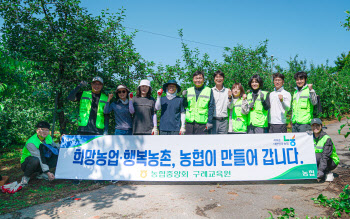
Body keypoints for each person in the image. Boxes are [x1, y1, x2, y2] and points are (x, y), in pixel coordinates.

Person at [21, 122, 61, 186]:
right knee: (35, 160)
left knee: (55, 154)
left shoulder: (48, 137)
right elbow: (39, 157)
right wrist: (48, 172)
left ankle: (40, 173)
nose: (44, 132)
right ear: (37, 130)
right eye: (42, 129)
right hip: (27, 163)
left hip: (40, 160)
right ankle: (26, 177)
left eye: (47, 130)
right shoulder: (31, 142)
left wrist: (60, 141)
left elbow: (55, 148)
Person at [183, 70, 215, 135]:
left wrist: (209, 121)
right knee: (188, 143)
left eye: (200, 78)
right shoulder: (189, 90)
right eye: (196, 78)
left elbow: (211, 107)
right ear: (193, 79)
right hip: (190, 123)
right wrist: (184, 97)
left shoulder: (208, 90)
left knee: (201, 144)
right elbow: (185, 105)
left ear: (203, 80)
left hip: (202, 123)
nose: (198, 80)